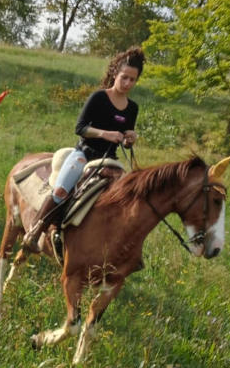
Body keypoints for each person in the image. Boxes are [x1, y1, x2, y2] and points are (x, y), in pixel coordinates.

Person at [21, 47, 145, 252]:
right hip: (84, 154)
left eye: (132, 80)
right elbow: (80, 128)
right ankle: (35, 231)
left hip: (109, 160)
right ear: (115, 73)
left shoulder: (133, 108)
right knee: (62, 189)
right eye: (124, 77)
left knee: (128, 199)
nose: (127, 83)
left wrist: (130, 139)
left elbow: (125, 138)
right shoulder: (99, 97)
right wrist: (105, 134)